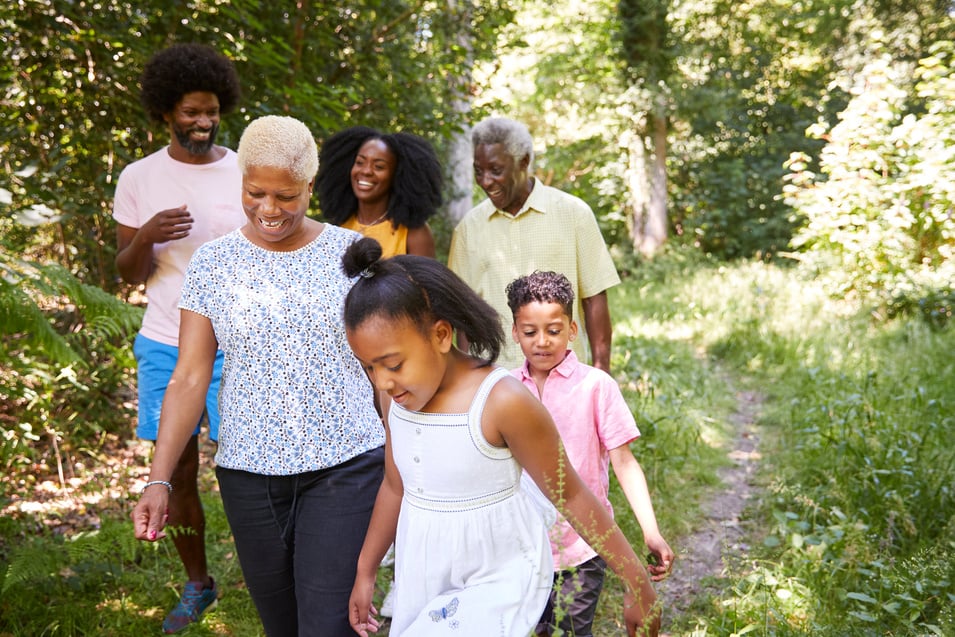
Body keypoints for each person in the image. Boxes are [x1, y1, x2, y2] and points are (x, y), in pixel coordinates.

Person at [131, 115, 386, 637]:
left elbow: (384, 367)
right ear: (241, 181)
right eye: (257, 193)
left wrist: (406, 462)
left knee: (329, 626)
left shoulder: (351, 255)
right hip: (249, 474)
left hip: (345, 466)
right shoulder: (213, 264)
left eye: (287, 196)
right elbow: (188, 377)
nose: (270, 209)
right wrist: (158, 478)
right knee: (282, 626)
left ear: (311, 187)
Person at [341, 237, 661, 637]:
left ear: (441, 335)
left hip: (498, 574)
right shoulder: (396, 399)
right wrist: (365, 570)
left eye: (392, 364)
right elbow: (395, 485)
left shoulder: (503, 400)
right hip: (424, 574)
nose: (382, 381)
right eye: (369, 367)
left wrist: (638, 583)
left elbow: (573, 495)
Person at [113, 42, 243, 634]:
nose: (203, 121)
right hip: (166, 341)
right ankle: (198, 584)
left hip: (239, 344)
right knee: (179, 469)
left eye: (211, 110)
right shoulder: (138, 177)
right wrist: (147, 235)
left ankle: (274, 567)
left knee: (252, 464)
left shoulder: (242, 168)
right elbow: (127, 271)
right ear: (166, 111)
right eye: (191, 110)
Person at [505, 270, 675, 637]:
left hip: (581, 547)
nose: (542, 342)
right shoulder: (503, 391)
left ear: (572, 329)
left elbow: (625, 463)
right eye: (530, 332)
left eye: (553, 329)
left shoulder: (596, 387)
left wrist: (651, 531)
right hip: (516, 548)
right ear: (515, 332)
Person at [448, 116, 621, 372]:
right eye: (478, 171)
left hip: (564, 377)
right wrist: (467, 379)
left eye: (496, 170)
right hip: (495, 381)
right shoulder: (468, 229)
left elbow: (594, 298)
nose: (485, 181)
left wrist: (602, 373)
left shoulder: (574, 214)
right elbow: (463, 316)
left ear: (524, 162)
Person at [316, 126, 443, 258]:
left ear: (398, 175)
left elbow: (426, 278)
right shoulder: (338, 226)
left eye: (379, 166)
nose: (366, 171)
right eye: (360, 162)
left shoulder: (414, 233)